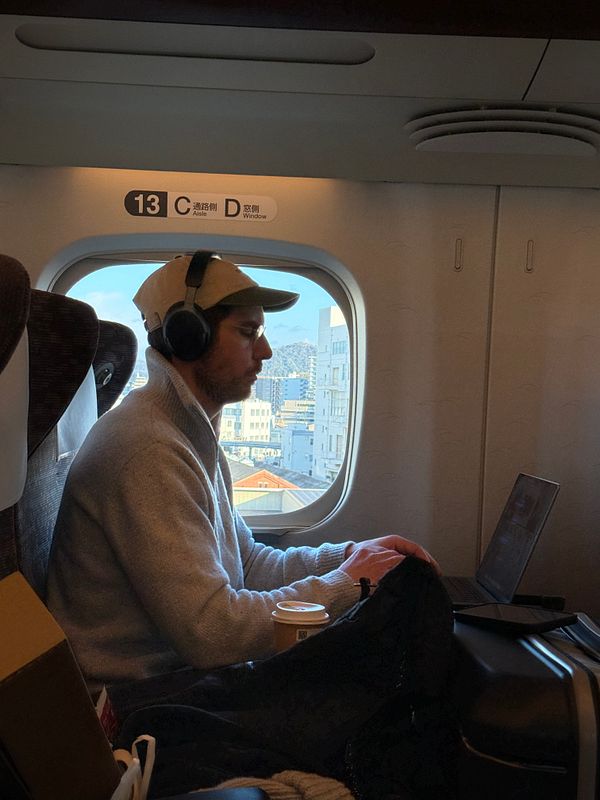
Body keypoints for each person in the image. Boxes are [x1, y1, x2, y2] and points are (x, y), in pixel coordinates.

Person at [47, 252, 438, 691]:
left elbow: (247, 564)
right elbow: (214, 633)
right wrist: (347, 584)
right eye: (249, 333)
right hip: (137, 700)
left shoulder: (185, 432)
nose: (267, 352)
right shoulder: (147, 448)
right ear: (188, 338)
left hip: (177, 681)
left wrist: (348, 558)